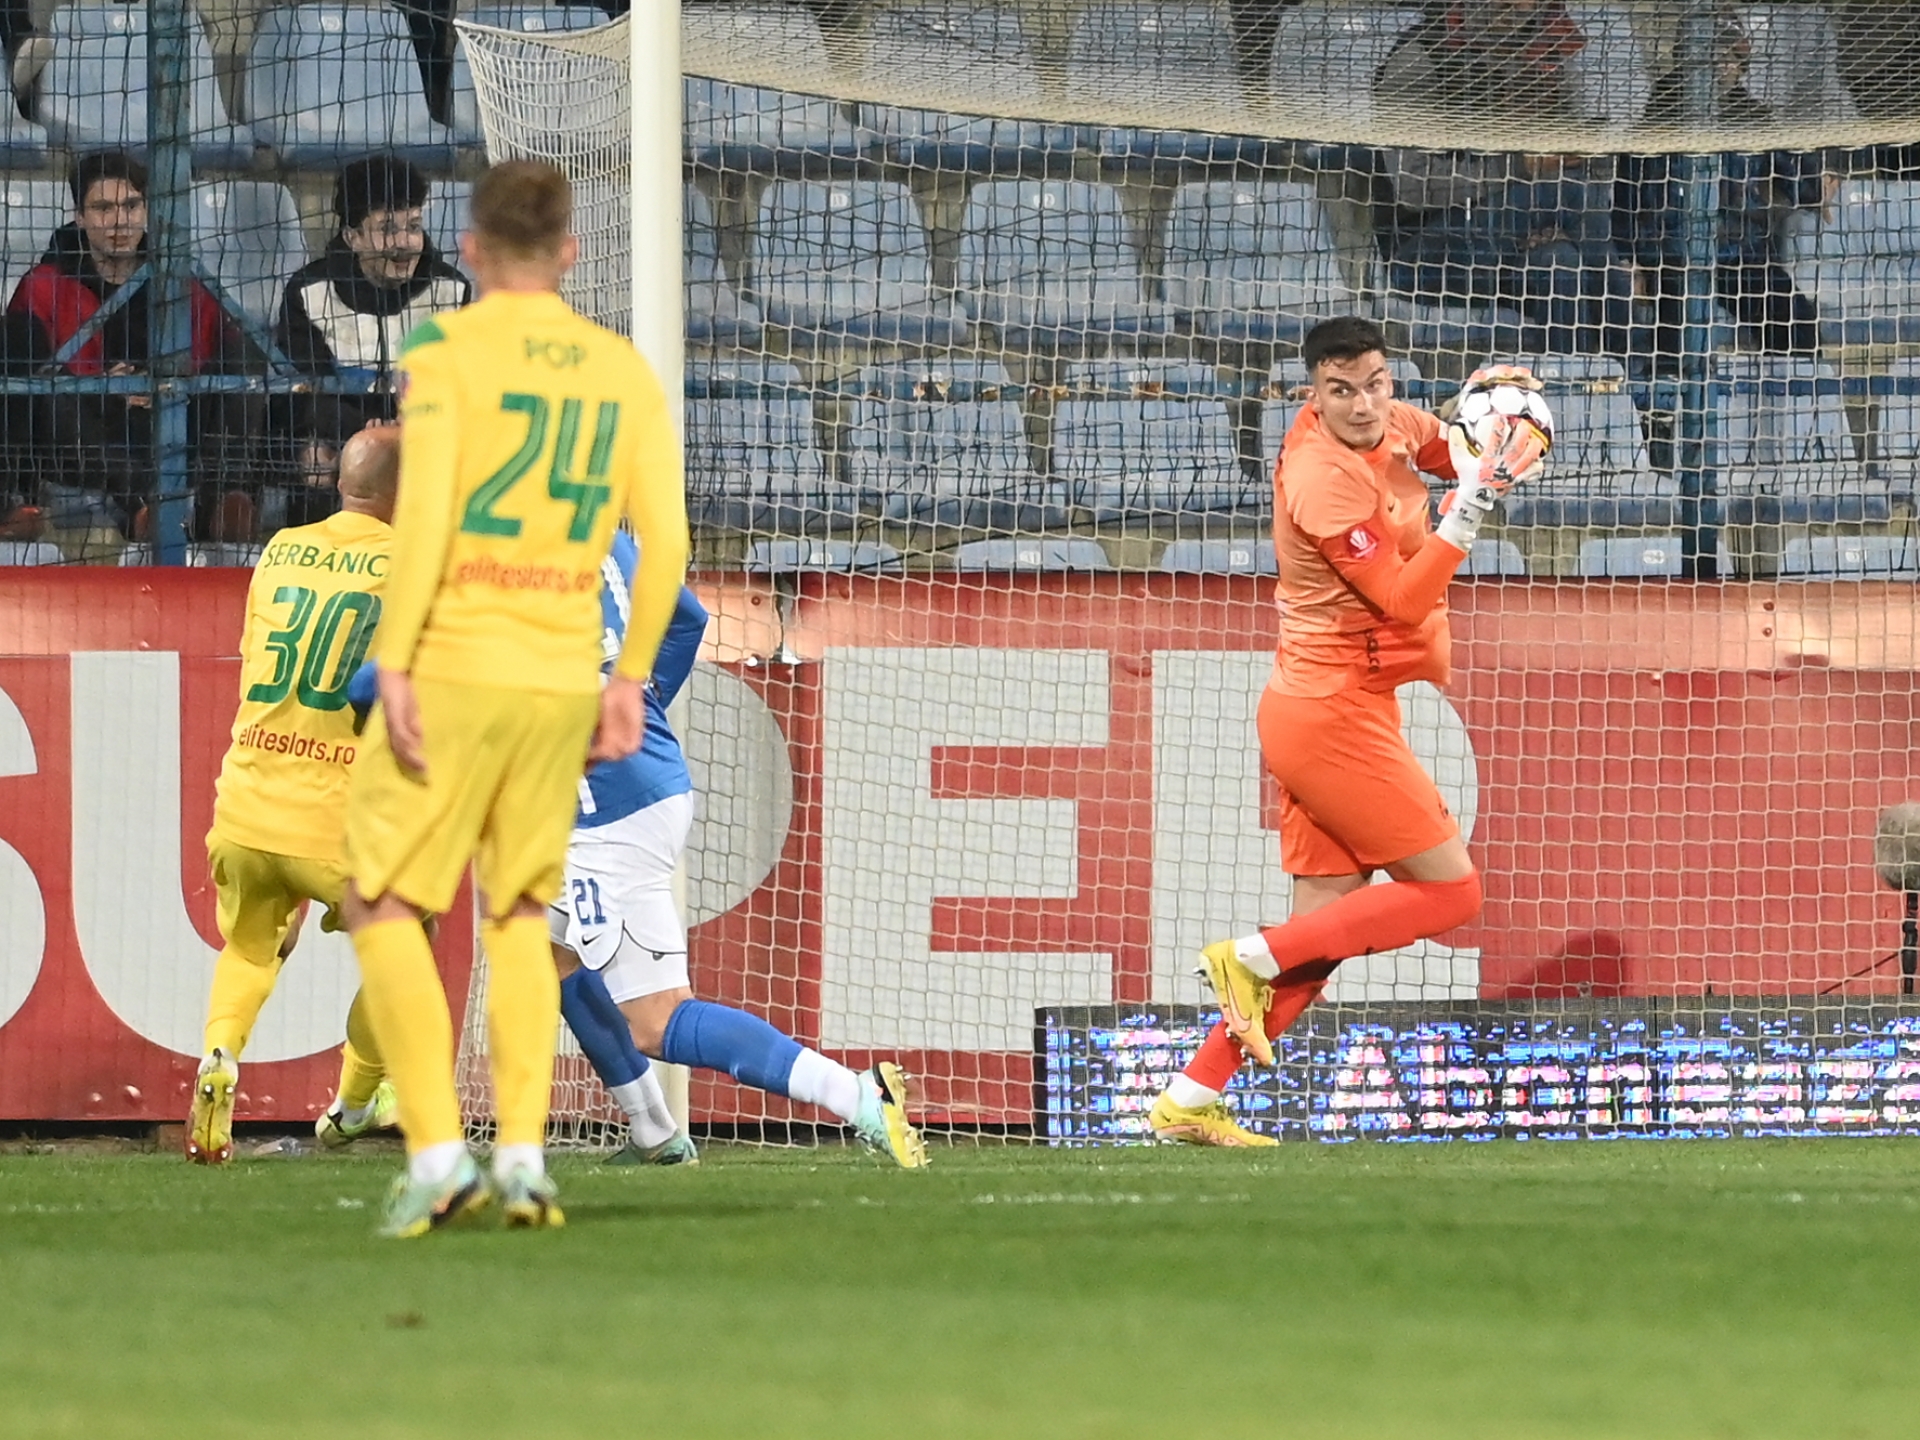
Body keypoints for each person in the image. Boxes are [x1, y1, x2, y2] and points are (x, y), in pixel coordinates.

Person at [341, 160, 689, 1238]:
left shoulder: (444, 350)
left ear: (473, 251)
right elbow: (671, 544)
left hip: (456, 661)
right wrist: (627, 681)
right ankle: (526, 1164)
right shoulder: (620, 370)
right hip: (559, 680)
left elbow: (429, 517)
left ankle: (440, 1155)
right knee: (523, 915)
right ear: (570, 251)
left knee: (380, 901)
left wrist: (396, 660)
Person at [1147, 317, 1545, 1145]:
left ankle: (1189, 1097)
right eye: (1341, 391)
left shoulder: (1391, 421)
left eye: (1375, 384)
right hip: (1329, 715)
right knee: (1453, 893)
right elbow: (1400, 599)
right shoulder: (1318, 478)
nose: (1364, 405)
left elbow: (1452, 453)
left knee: (1320, 945)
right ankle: (1247, 957)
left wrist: (1496, 429)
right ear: (1313, 394)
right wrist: (1470, 509)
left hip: (1338, 703)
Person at [541, 548, 926, 1169]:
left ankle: (855, 1094)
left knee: (656, 1021)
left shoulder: (502, 551)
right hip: (637, 778)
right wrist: (642, 704)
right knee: (542, 947)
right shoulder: (603, 533)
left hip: (606, 809)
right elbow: (689, 617)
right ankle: (655, 1133)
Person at [188, 424, 403, 1165]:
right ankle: (356, 1101)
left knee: (251, 948)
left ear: (342, 483)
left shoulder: (279, 549)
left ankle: (219, 1055)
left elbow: (256, 653)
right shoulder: (414, 565)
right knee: (406, 944)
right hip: (340, 814)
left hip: (248, 798)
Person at [5, 151, 246, 542]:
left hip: (167, 417)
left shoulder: (181, 281)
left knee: (244, 358)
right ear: (79, 217)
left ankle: (221, 501)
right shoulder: (42, 285)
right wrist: (104, 390)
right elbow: (28, 379)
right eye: (103, 208)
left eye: (131, 206)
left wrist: (169, 380)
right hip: (85, 431)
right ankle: (140, 507)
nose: (120, 221)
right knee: (47, 388)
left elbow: (213, 352)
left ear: (146, 210)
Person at [1619, 16, 1827, 362]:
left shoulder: (1755, 119)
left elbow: (1802, 184)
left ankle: (1791, 384)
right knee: (1678, 330)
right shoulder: (1653, 123)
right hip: (1670, 258)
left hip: (1739, 256)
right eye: (1710, 57)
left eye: (1729, 57)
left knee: (1795, 318)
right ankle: (1671, 390)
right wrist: (1630, 260)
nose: (1720, 67)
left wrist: (1820, 177)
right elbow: (1626, 204)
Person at [276, 155, 469, 449]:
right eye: (387, 229)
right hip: (341, 441)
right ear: (352, 237)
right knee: (315, 456)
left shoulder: (452, 291)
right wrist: (360, 433)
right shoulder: (309, 292)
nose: (404, 243)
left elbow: (460, 388)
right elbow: (304, 397)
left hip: (428, 441)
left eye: (414, 226)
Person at [1375, 0, 1587, 123]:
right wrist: (1521, 166)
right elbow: (1411, 178)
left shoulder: (1553, 58)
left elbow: (1574, 154)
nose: (1513, 4)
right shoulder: (1422, 54)